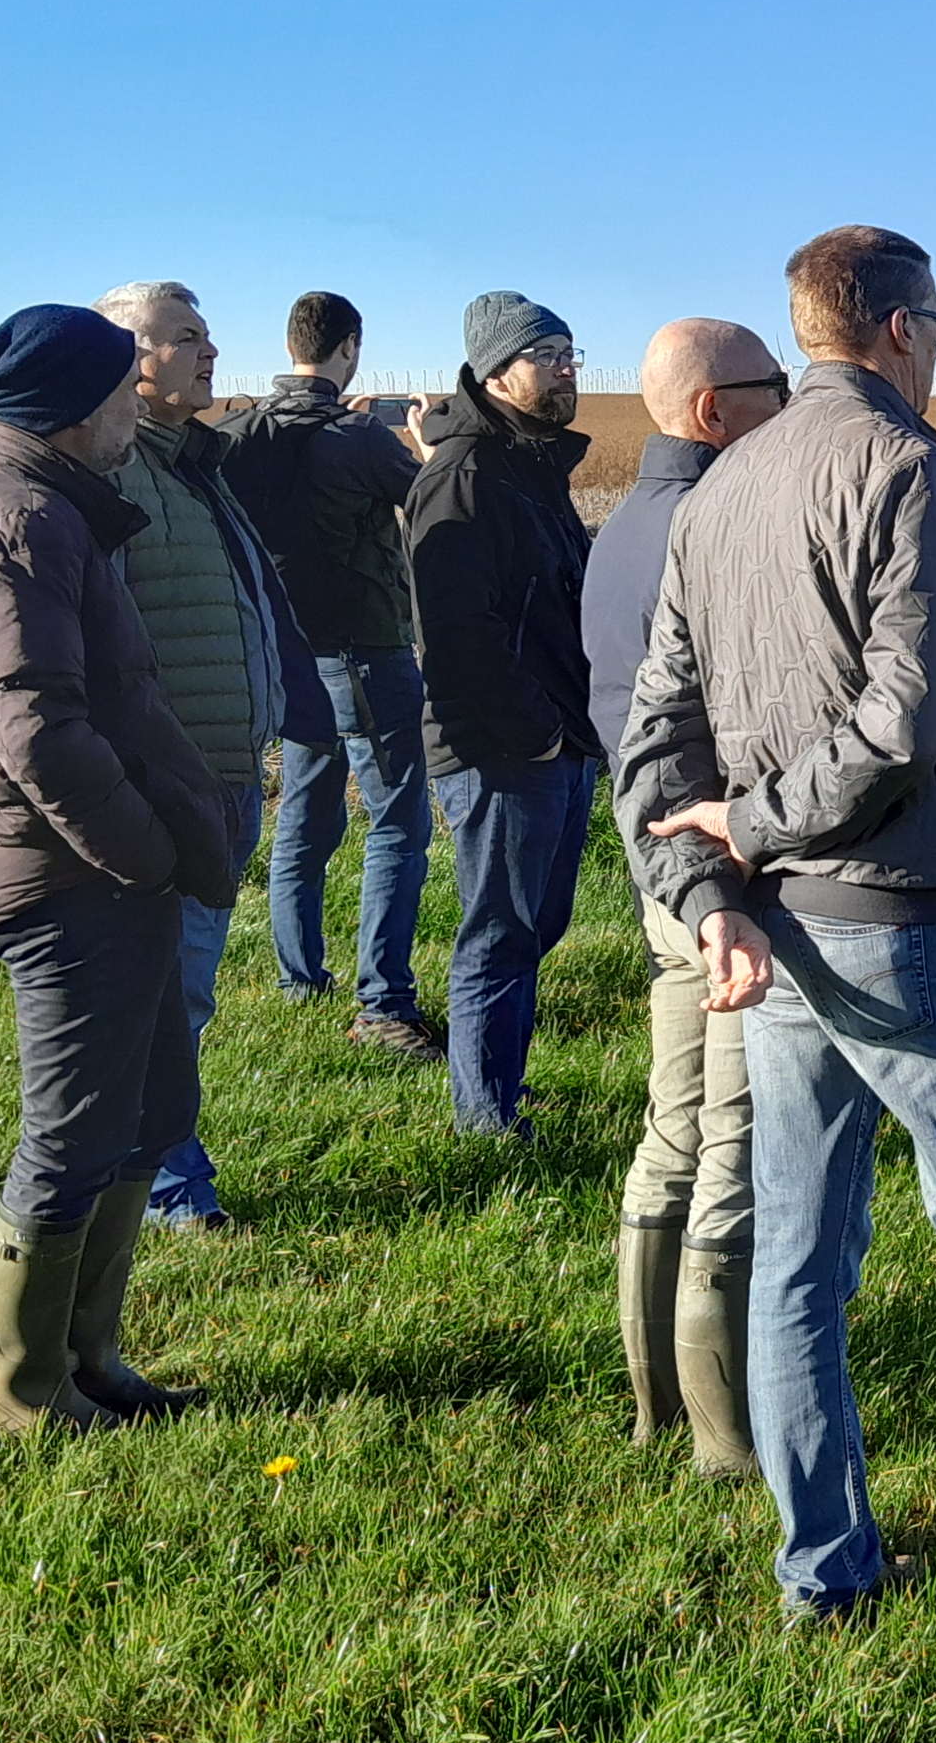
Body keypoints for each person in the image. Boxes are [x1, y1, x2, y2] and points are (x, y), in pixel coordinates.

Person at [617, 227, 936, 1633]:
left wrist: (717, 892)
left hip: (778, 943)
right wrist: (755, 840)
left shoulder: (717, 494)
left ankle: (824, 1577)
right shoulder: (914, 471)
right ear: (892, 328)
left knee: (801, 1257)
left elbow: (655, 745)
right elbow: (908, 714)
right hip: (908, 919)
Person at [0, 305, 234, 1439]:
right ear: (85, 408)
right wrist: (141, 854)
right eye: (125, 391)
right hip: (66, 882)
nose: (142, 402)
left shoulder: (37, 509)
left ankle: (90, 1362)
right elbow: (37, 731)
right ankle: (24, 1399)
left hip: (89, 876)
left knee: (144, 1112)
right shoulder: (18, 524)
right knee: (74, 1132)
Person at [582, 317, 792, 1477]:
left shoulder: (619, 528)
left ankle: (658, 1409)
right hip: (729, 887)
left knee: (672, 1133)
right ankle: (730, 1436)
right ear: (717, 411)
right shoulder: (720, 528)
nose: (793, 406)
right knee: (737, 1145)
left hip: (659, 878)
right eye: (775, 389)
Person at [91, 281, 335, 1230]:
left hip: (227, 773)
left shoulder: (194, 465)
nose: (211, 351)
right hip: (169, 779)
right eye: (186, 337)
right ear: (129, 360)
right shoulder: (119, 474)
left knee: (183, 995)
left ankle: (154, 1171)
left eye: (206, 335)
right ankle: (164, 1187)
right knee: (165, 996)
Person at [223, 292, 445, 1061]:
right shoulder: (357, 436)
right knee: (397, 824)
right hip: (365, 649)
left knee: (304, 813)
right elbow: (436, 507)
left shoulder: (241, 435)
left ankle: (298, 981)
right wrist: (422, 445)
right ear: (349, 347)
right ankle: (383, 1000)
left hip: (283, 655)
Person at [405, 289, 597, 1139]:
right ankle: (483, 1117)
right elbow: (454, 635)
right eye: (548, 356)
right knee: (500, 929)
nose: (566, 369)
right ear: (497, 373)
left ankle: (498, 1088)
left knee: (535, 924)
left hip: (553, 736)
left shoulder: (528, 465)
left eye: (569, 353)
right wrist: (536, 729)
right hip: (502, 747)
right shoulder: (463, 477)